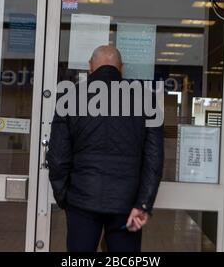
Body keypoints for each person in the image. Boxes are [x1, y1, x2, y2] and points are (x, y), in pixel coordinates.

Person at [47, 45, 164, 252]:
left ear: (90, 67)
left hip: (81, 200)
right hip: (126, 204)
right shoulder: (146, 99)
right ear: (122, 68)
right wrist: (143, 203)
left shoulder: (69, 98)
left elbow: (57, 156)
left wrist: (64, 196)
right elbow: (154, 158)